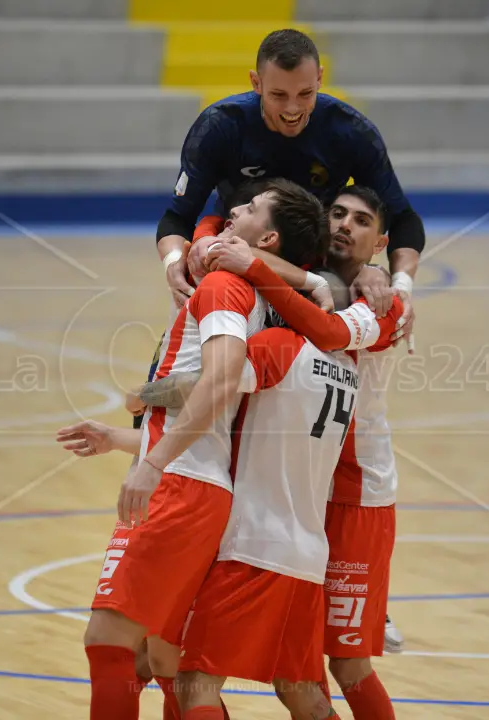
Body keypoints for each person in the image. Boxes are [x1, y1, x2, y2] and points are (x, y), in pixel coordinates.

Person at [82, 179, 328, 720]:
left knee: (109, 643)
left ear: (265, 239)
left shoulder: (224, 288)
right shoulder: (263, 299)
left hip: (181, 484)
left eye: (250, 207)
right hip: (201, 484)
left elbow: (218, 382)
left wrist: (151, 462)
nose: (234, 209)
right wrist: (130, 433)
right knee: (166, 657)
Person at [205, 186, 404, 718]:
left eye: (361, 221)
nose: (344, 225)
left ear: (380, 241)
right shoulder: (314, 275)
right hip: (301, 491)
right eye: (336, 213)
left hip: (356, 495)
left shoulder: (385, 303)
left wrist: (381, 274)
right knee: (294, 677)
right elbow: (227, 243)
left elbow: (326, 327)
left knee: (347, 664)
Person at [154, 28, 423, 347]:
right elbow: (177, 217)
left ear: (320, 78)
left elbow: (404, 220)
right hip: (234, 259)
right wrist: (172, 264)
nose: (293, 109)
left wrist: (399, 285)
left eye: (305, 94)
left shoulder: (350, 132)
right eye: (278, 95)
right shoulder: (220, 127)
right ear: (256, 83)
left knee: (373, 301)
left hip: (317, 269)